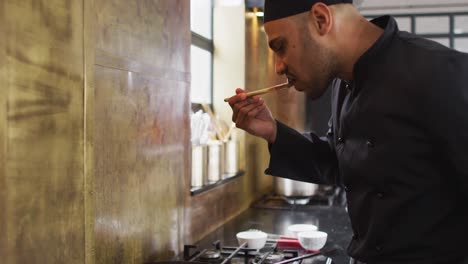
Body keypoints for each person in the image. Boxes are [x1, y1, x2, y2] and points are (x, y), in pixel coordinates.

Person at [225, 0, 468, 263]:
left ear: (321, 19)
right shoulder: (342, 83)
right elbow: (340, 162)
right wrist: (272, 132)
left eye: (280, 47)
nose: (278, 67)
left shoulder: (443, 73)